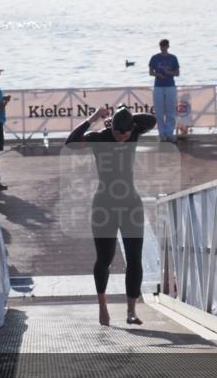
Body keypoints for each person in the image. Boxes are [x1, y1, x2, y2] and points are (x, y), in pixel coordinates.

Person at [66, 104, 157, 326]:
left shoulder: (134, 131)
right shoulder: (99, 137)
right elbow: (71, 143)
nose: (123, 137)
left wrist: (123, 115)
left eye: (126, 132)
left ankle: (131, 311)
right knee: (105, 259)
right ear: (112, 128)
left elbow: (151, 121)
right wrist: (95, 117)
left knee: (134, 258)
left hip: (130, 204)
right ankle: (103, 306)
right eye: (119, 132)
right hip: (104, 205)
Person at [148, 38, 180, 143]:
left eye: (165, 46)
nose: (163, 48)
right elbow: (150, 72)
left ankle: (169, 133)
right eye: (162, 46)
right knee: (159, 111)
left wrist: (169, 72)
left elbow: (177, 73)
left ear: (168, 46)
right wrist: (157, 74)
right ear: (160, 47)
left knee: (170, 111)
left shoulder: (173, 58)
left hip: (170, 86)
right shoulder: (155, 58)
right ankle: (161, 134)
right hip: (158, 86)